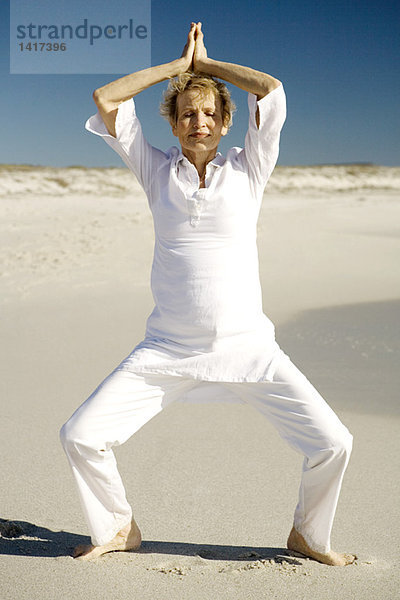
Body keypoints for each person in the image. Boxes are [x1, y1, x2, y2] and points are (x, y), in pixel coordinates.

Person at [60, 22, 356, 565]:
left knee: (334, 444)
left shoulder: (250, 167)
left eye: (211, 113)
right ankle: (120, 526)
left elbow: (272, 90)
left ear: (225, 122)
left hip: (250, 349)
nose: (201, 121)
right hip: (166, 350)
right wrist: (178, 70)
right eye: (188, 113)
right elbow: (106, 98)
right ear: (172, 123)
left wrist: (209, 67)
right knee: (80, 435)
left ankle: (309, 534)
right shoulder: (153, 169)